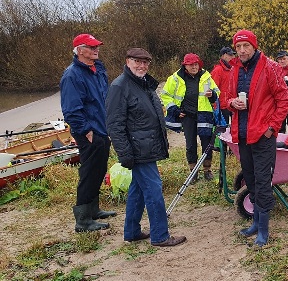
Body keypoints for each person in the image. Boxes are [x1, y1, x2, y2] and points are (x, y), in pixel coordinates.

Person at [106, 48, 186, 247]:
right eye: (137, 62)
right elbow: (114, 125)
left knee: (138, 190)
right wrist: (124, 153)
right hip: (137, 150)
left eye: (145, 62)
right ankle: (160, 235)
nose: (142, 66)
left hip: (148, 147)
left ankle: (131, 231)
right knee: (153, 190)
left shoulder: (144, 84)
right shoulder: (119, 86)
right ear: (127, 62)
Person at [225, 30, 288, 247]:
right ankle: (254, 222)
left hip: (262, 136)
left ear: (254, 46)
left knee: (262, 183)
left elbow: (283, 101)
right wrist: (232, 103)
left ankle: (264, 231)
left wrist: (271, 128)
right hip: (242, 134)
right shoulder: (234, 69)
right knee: (250, 179)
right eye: (238, 47)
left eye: (246, 46)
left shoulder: (269, 67)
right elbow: (226, 98)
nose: (242, 50)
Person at [60, 33, 116, 233]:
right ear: (79, 50)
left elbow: (104, 98)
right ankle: (83, 220)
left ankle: (93, 210)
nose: (96, 50)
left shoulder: (98, 70)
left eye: (96, 47)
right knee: (89, 172)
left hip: (102, 128)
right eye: (91, 47)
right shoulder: (72, 75)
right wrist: (86, 131)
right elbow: (71, 110)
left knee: (98, 170)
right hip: (89, 132)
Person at [161, 53, 219, 181]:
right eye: (191, 64)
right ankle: (193, 172)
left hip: (204, 114)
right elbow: (165, 95)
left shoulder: (206, 76)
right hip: (187, 116)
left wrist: (213, 95)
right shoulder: (176, 78)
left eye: (196, 64)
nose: (194, 67)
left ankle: (207, 170)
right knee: (190, 144)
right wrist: (174, 109)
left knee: (207, 143)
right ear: (185, 66)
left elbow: (217, 92)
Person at [211, 46, 235, 126]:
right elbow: (213, 89)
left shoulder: (233, 69)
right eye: (231, 55)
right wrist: (215, 107)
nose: (233, 57)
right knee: (223, 131)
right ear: (224, 55)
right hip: (222, 106)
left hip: (232, 104)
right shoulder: (218, 70)